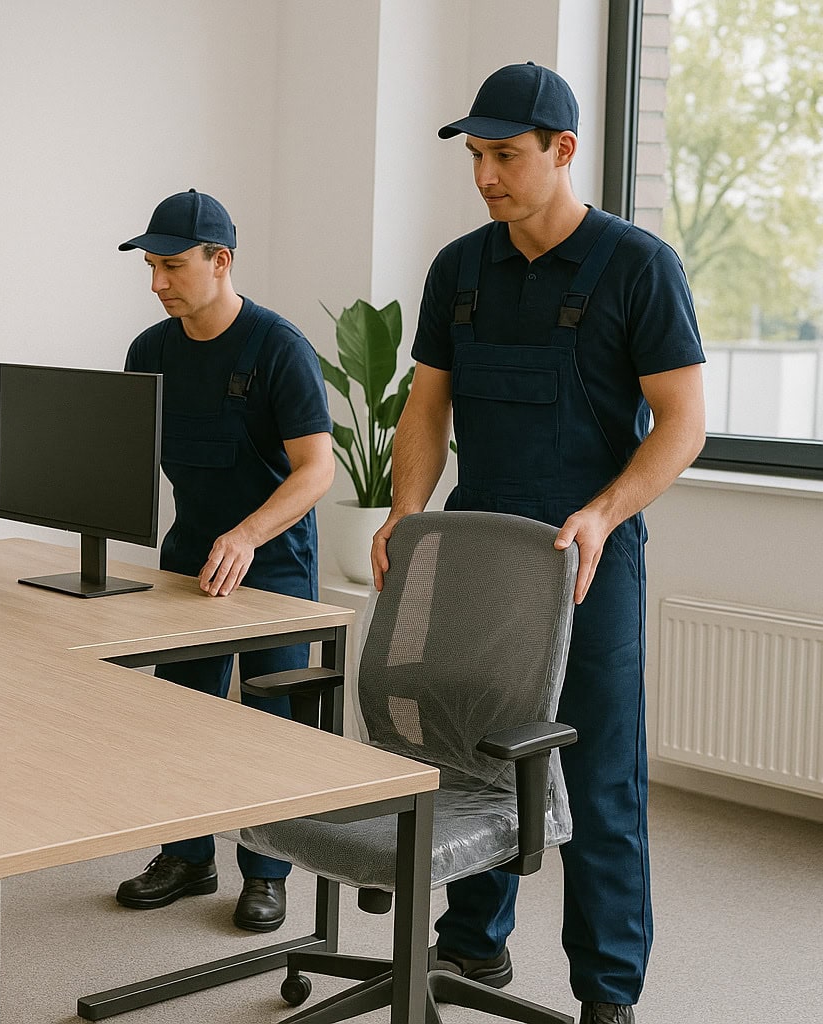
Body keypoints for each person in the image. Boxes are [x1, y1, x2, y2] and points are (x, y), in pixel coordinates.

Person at [372, 63, 706, 1024]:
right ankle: (474, 944)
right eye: (475, 154)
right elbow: (426, 407)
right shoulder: (458, 269)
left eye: (505, 154)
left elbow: (681, 422)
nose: (485, 175)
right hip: (481, 552)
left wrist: (605, 511)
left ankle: (607, 993)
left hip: (586, 554)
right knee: (476, 752)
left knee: (597, 780)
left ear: (562, 151)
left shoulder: (638, 266)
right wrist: (404, 510)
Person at [113, 189, 335, 932]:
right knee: (180, 717)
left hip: (270, 563)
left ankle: (266, 870)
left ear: (221, 260)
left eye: (172, 266)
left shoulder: (279, 349)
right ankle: (186, 855)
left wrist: (246, 535)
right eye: (150, 267)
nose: (158, 283)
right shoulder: (150, 351)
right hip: (185, 563)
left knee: (266, 723)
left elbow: (316, 470)